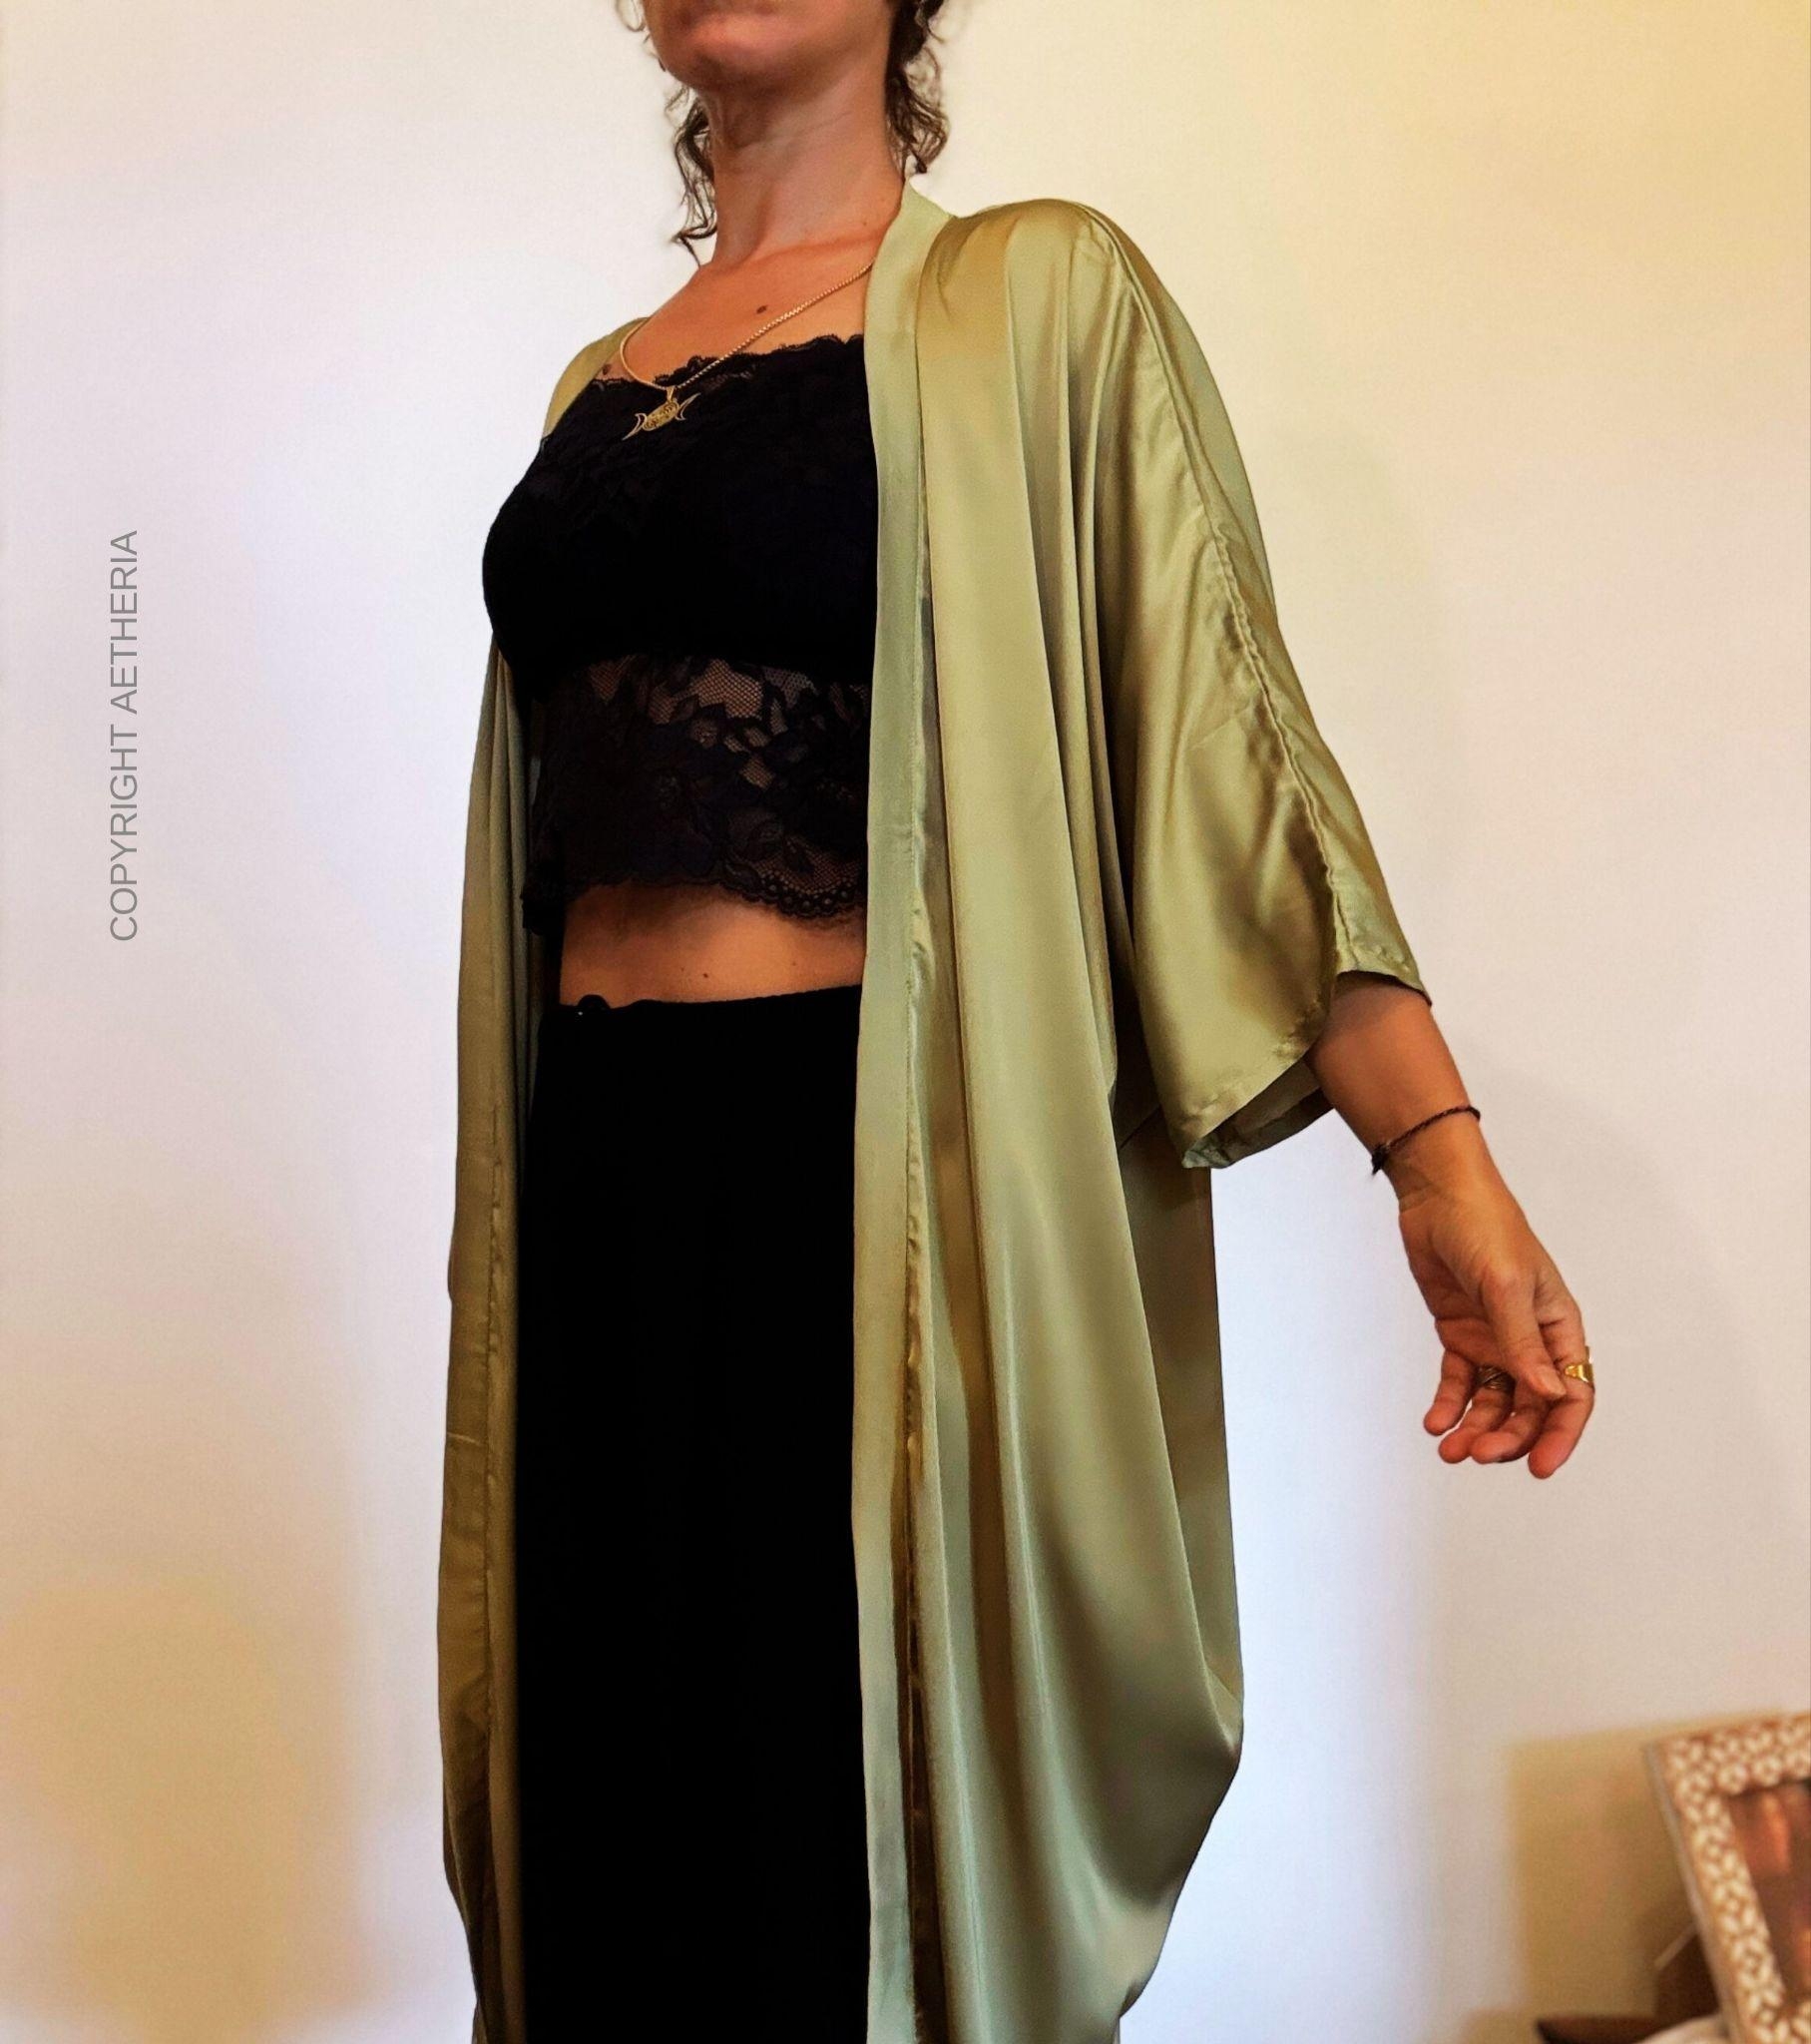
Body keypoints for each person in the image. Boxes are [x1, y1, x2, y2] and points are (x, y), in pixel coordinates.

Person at [442, 3, 1597, 2039]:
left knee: (822, 1878)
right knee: (618, 1865)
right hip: (597, 1179)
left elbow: (1226, 740)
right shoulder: (594, 386)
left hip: (861, 1195)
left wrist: (1433, 1153)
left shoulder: (1037, 296)